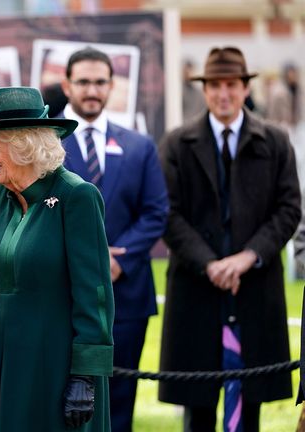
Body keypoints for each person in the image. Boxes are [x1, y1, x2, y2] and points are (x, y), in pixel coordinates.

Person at [0, 86, 114, 431]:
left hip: (52, 363)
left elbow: (94, 294)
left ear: (25, 145)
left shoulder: (76, 196)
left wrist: (85, 374)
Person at [158, 46, 301, 431]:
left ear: (244, 88)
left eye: (232, 85)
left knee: (248, 403)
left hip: (254, 286)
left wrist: (247, 257)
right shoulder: (176, 143)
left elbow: (289, 209)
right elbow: (167, 213)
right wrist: (209, 263)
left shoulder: (275, 141)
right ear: (204, 90)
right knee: (198, 402)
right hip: (196, 287)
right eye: (215, 86)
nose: (224, 94)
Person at [58, 47, 168, 432]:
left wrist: (117, 261)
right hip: (61, 294)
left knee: (120, 400)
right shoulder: (41, 144)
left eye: (100, 82)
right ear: (66, 85)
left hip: (127, 295)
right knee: (62, 399)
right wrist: (86, 259)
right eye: (83, 81)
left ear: (112, 86)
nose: (92, 90)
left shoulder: (139, 146)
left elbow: (156, 211)